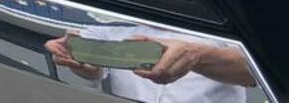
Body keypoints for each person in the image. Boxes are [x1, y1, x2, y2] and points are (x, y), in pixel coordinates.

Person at [44, 25, 256, 102]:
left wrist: (197, 56)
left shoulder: (224, 21)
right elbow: (92, 67)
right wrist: (77, 60)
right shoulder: (109, 21)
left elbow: (252, 73)